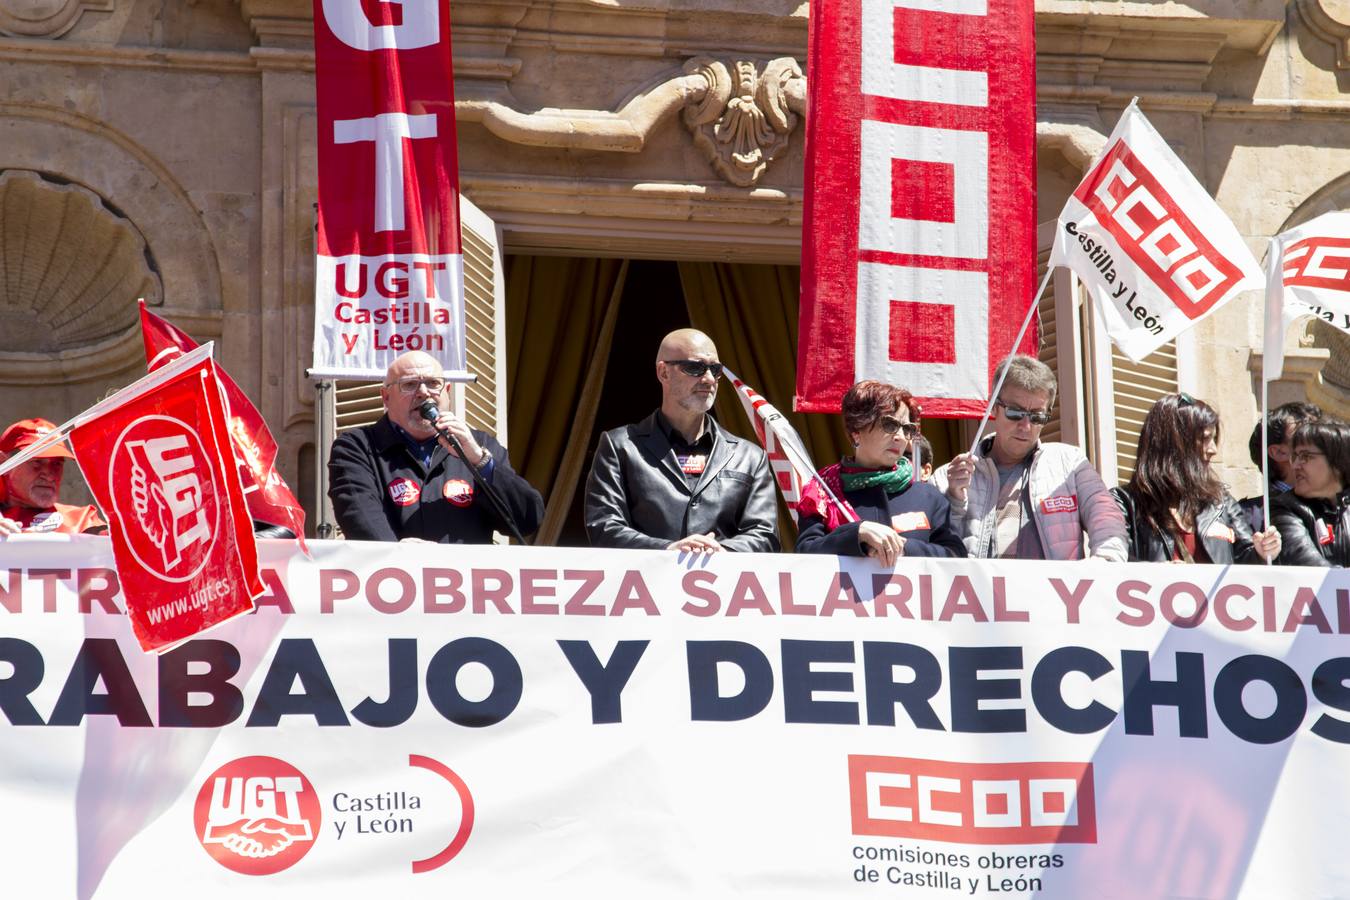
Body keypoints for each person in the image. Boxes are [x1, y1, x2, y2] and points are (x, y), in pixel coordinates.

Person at [584, 328, 778, 552]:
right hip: (645, 583)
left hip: (723, 585)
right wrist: (668, 550)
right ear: (663, 372)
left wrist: (723, 552)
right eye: (694, 367)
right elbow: (604, 526)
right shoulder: (620, 446)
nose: (708, 379)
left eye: (715, 370)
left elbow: (765, 534)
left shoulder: (750, 456)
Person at [328, 350, 543, 543]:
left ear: (447, 391)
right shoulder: (357, 447)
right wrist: (402, 560)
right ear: (386, 397)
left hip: (467, 585)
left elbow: (527, 519)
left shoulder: (480, 445)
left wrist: (479, 461)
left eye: (433, 383)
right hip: (395, 582)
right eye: (409, 384)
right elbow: (360, 518)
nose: (423, 392)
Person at [932, 355, 1126, 561]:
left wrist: (1105, 564)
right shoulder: (947, 476)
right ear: (994, 407)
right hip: (979, 592)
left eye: (1037, 417)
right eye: (1015, 413)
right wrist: (953, 500)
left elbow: (1107, 518)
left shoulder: (1070, 464)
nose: (1025, 426)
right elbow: (934, 552)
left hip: (1052, 592)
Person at [795, 381, 964, 562]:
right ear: (856, 431)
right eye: (890, 425)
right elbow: (805, 553)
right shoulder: (822, 492)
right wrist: (857, 535)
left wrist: (903, 547)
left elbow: (955, 555)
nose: (900, 437)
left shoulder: (928, 496)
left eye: (907, 429)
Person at [1111, 393, 1280, 564]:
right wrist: (1158, 574)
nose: (1213, 449)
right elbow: (1115, 562)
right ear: (1173, 443)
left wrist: (1261, 552)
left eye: (1214, 439)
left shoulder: (1220, 503)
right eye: (1205, 439)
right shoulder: (1125, 503)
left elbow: (1245, 561)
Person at [0, 418, 106, 536]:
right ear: (3, 463)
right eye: (37, 462)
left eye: (57, 464)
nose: (50, 476)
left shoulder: (82, 521)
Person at [1271, 421, 1350, 567]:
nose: (1295, 466)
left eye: (1305, 456)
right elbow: (1307, 564)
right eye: (1295, 457)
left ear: (1337, 460)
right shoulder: (1285, 507)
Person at [1239, 401, 1321, 533]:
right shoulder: (1246, 517)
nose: (1322, 441)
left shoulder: (1338, 506)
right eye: (1306, 433)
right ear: (1279, 453)